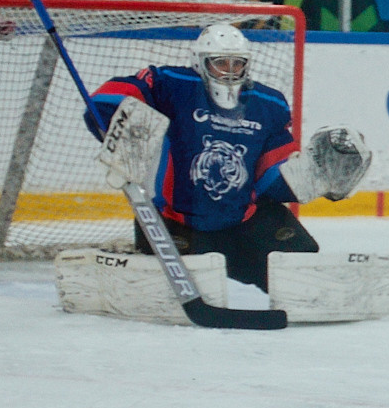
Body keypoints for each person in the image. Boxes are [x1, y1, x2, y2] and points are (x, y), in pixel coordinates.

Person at [87, 23, 372, 289]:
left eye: (238, 63)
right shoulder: (172, 85)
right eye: (221, 63)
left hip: (241, 224)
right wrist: (120, 123)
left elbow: (270, 177)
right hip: (175, 224)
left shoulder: (268, 103)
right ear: (200, 62)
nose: (230, 71)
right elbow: (104, 100)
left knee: (301, 269)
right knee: (173, 290)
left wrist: (317, 176)